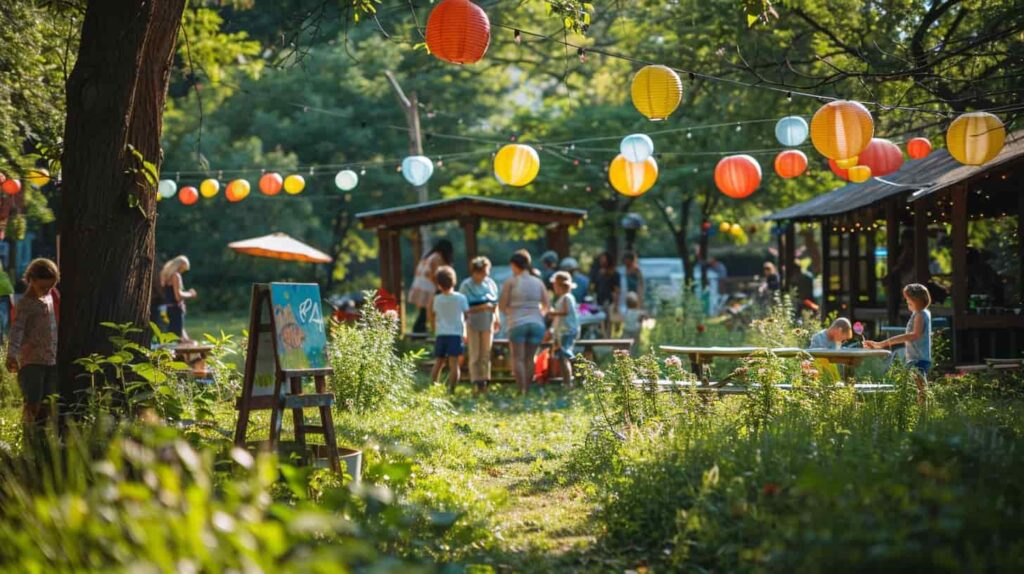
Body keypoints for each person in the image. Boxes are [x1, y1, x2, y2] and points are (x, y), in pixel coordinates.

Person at [6, 259, 59, 430]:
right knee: (33, 401)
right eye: (43, 287)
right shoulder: (25, 304)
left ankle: (40, 436)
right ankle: (26, 432)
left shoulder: (50, 297)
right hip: (32, 361)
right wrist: (12, 354)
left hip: (50, 359)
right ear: (32, 280)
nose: (47, 290)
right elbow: (17, 330)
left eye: (50, 286)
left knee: (48, 402)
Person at [865, 284, 931, 403]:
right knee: (919, 390)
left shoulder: (920, 314)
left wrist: (883, 343)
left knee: (921, 391)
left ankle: (924, 417)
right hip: (917, 358)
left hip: (918, 359)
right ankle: (923, 415)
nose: (907, 301)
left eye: (908, 299)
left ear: (916, 299)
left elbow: (914, 335)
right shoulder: (920, 313)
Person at [499, 250, 549, 395]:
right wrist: (537, 314)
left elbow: (502, 305)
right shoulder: (538, 282)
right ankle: (528, 388)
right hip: (536, 324)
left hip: (517, 323)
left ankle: (521, 390)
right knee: (529, 358)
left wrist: (511, 313)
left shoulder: (511, 282)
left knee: (518, 358)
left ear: (514, 265)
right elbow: (546, 305)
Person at [459, 256, 500, 395]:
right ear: (475, 271)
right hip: (472, 323)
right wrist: (482, 307)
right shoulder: (466, 286)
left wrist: (497, 318)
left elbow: (495, 304)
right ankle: (475, 382)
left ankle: (485, 382)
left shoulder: (490, 284)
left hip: (488, 322)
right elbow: (464, 308)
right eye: (482, 272)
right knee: (475, 354)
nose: (485, 275)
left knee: (485, 354)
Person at [430, 266, 469, 393]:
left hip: (441, 334)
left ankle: (433, 386)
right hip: (456, 334)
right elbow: (467, 315)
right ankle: (451, 389)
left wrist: (434, 328)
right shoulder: (461, 298)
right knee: (454, 365)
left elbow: (433, 314)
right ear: (454, 281)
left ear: (439, 284)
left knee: (439, 362)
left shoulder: (437, 299)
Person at [409, 239, 454, 334]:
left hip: (420, 286)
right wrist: (441, 288)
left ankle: (419, 331)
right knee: (425, 312)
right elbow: (437, 275)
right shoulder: (437, 258)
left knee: (423, 311)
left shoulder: (429, 256)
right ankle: (419, 331)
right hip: (428, 288)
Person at [548, 271, 580, 388]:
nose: (554, 288)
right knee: (562, 357)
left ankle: (568, 382)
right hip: (563, 331)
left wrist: (552, 312)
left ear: (561, 286)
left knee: (564, 356)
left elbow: (565, 312)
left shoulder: (566, 297)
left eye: (555, 285)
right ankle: (566, 381)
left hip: (567, 331)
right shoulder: (564, 298)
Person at [160, 255, 196, 342]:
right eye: (183, 269)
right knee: (178, 339)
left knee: (175, 337)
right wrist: (190, 294)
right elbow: (178, 296)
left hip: (168, 309)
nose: (182, 272)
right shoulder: (176, 276)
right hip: (176, 309)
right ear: (180, 266)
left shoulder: (165, 276)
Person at [0, 268, 14, 344]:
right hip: (4, 298)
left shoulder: (4, 275)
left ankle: (1, 337)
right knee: (3, 320)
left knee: (3, 320)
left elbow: (9, 290)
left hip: (4, 298)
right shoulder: (4, 275)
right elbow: (10, 290)